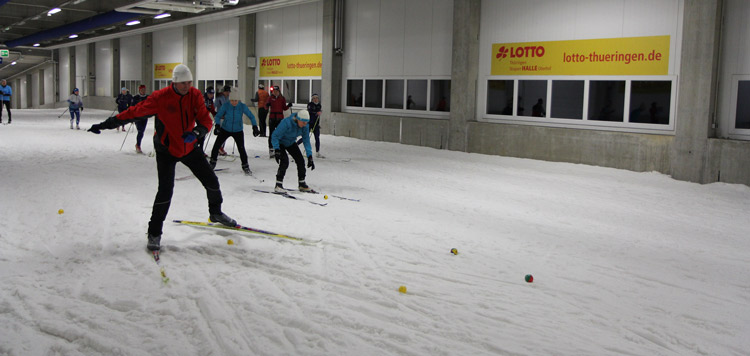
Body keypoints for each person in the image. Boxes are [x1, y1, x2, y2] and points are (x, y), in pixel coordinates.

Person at [86, 64, 237, 252]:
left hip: (189, 146)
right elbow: (133, 112)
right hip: (167, 149)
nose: (186, 86)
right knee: (165, 191)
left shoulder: (195, 95)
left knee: (211, 181)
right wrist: (105, 124)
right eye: (183, 83)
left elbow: (205, 119)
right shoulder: (160, 97)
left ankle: (216, 213)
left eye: (189, 82)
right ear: (174, 82)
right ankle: (154, 233)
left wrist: (198, 132)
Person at [210, 88, 260, 175]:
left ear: (238, 100)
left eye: (235, 101)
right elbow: (218, 116)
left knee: (241, 149)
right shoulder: (226, 105)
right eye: (232, 100)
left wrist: (255, 127)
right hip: (225, 129)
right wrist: (217, 126)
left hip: (238, 130)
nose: (234, 102)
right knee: (216, 146)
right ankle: (212, 163)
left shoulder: (242, 106)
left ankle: (245, 166)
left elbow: (251, 116)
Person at [271, 110, 315, 193]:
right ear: (298, 119)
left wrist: (310, 156)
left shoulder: (305, 126)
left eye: (306, 123)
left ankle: (302, 183)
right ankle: (278, 185)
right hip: (280, 142)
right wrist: (276, 149)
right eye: (303, 122)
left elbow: (306, 140)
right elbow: (275, 136)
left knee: (300, 160)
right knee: (284, 161)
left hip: (290, 142)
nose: (305, 125)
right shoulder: (286, 123)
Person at [266, 85, 292, 158]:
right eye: (274, 91)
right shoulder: (270, 98)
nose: (275, 92)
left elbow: (284, 108)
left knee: (280, 134)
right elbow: (266, 106)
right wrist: (267, 105)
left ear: (279, 91)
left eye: (277, 91)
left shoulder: (282, 98)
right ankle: (271, 149)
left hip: (280, 118)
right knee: (272, 134)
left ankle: (279, 149)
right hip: (272, 118)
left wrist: (288, 106)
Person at [131, 85, 150, 153]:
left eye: (144, 89)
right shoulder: (136, 97)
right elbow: (132, 107)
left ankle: (138, 144)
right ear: (139, 90)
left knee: (142, 131)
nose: (143, 91)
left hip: (145, 116)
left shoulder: (148, 97)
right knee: (140, 130)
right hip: (137, 117)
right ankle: (138, 145)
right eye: (142, 90)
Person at [214, 85, 231, 156]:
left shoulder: (228, 98)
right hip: (220, 118)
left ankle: (221, 147)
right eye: (227, 92)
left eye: (229, 92)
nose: (228, 93)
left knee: (225, 134)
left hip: (226, 118)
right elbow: (214, 105)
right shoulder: (219, 98)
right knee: (221, 133)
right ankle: (219, 147)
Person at [199, 86, 217, 154]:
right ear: (207, 93)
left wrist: (215, 114)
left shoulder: (210, 100)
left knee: (202, 135)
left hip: (205, 119)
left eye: (212, 94)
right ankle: (199, 150)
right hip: (200, 118)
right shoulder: (203, 99)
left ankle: (200, 150)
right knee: (201, 134)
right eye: (210, 93)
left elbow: (212, 109)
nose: (211, 95)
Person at [307, 93, 323, 158]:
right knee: (305, 137)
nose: (316, 99)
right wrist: (316, 113)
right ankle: (295, 146)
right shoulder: (310, 105)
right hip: (309, 123)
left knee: (317, 138)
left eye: (316, 98)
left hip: (316, 124)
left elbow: (319, 112)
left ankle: (317, 151)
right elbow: (310, 111)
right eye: (314, 98)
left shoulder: (319, 105)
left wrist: (319, 113)